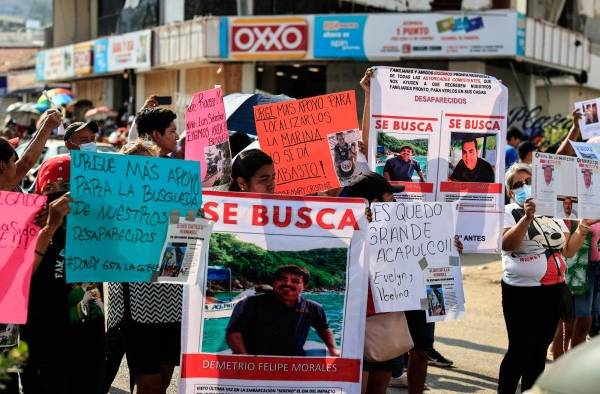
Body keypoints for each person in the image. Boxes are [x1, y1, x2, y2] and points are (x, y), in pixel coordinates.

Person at [499, 162, 592, 393]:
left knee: (540, 350)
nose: (524, 186)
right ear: (511, 192)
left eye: (528, 182)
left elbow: (568, 251)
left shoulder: (552, 212)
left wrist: (581, 228)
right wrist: (526, 218)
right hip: (521, 292)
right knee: (520, 350)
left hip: (552, 291)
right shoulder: (508, 212)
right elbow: (508, 244)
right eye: (518, 184)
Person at [20, 155, 106, 394]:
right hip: (44, 346)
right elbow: (16, 281)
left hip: (89, 345)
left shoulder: (98, 225)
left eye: (72, 188)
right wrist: (49, 227)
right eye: (56, 189)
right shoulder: (25, 227)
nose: (65, 198)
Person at [105, 140, 181, 394]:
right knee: (148, 383)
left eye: (150, 166)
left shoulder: (174, 202)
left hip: (173, 304)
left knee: (163, 380)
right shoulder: (113, 205)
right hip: (135, 307)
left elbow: (184, 255)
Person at [226, 264, 339, 357]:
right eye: (282, 279)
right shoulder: (248, 304)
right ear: (274, 282)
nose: (287, 283)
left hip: (294, 360)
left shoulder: (313, 308)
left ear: (304, 286)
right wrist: (244, 357)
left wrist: (333, 349)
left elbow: (323, 328)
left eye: (295, 281)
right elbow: (233, 332)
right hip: (256, 360)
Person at [0, 109, 61, 191]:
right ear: (2, 165)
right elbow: (26, 162)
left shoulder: (8, 183)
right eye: (13, 161)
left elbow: (26, 161)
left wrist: (46, 126)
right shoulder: (4, 185)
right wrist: (47, 126)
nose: (16, 165)